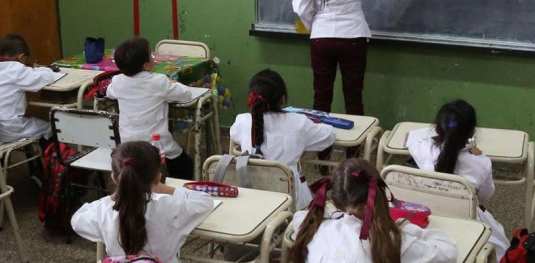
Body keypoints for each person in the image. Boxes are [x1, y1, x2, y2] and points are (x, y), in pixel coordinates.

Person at [292, 0, 400, 160]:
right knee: (353, 99)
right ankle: (353, 156)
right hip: (353, 37)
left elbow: (300, 7)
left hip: (321, 40)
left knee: (321, 101)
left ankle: (322, 156)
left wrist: (315, 24)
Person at [290, 158, 458, 263]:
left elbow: (299, 216)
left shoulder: (314, 228)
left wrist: (332, 213)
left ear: (335, 200)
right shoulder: (389, 240)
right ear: (378, 194)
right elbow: (449, 250)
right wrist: (405, 227)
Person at [71, 141, 214, 263]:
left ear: (114, 178)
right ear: (158, 177)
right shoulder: (171, 208)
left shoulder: (103, 212)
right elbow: (205, 201)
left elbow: (77, 220)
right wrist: (164, 188)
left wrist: (115, 196)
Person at [406, 99, 509, 261]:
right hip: (467, 220)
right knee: (501, 242)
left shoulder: (423, 150)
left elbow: (410, 138)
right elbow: (487, 195)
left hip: (428, 218)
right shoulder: (480, 163)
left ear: (437, 129)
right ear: (472, 132)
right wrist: (479, 156)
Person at [229, 69, 336, 210]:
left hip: (252, 199)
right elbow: (328, 136)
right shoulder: (298, 123)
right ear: (283, 99)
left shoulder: (243, 121)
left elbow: (234, 134)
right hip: (292, 203)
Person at [107, 37, 195, 180]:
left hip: (127, 145)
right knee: (185, 164)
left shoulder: (117, 82)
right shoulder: (159, 81)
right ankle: (177, 192)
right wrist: (174, 83)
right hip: (156, 143)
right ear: (147, 65)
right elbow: (186, 95)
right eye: (150, 54)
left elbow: (109, 91)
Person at [0, 34, 63, 144]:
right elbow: (47, 77)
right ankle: (50, 159)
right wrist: (41, 69)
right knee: (51, 128)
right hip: (9, 129)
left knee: (34, 124)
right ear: (21, 57)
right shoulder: (16, 70)